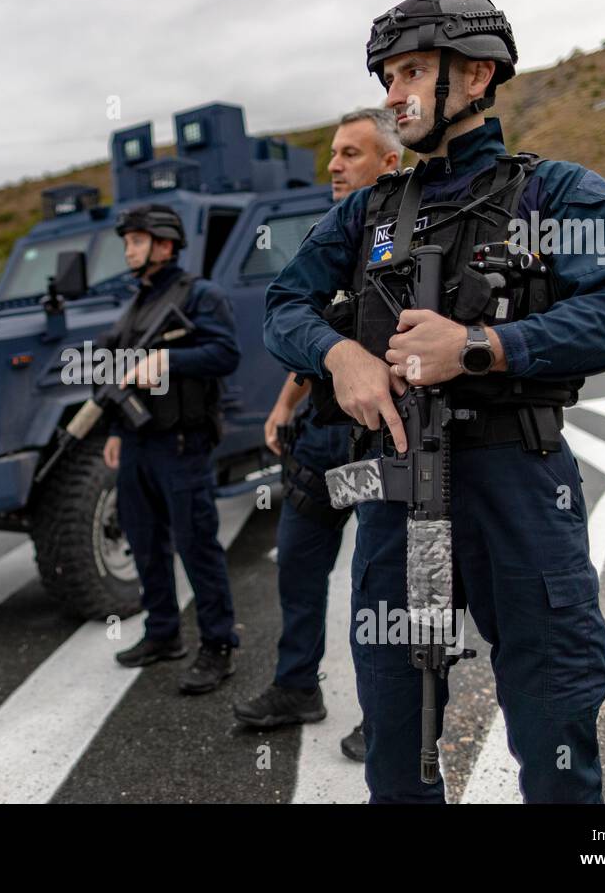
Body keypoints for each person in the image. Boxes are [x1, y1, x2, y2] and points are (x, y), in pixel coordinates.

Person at [263, 0, 605, 802]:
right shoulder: (368, 212)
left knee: (554, 723)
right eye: (387, 77)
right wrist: (341, 359)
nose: (393, 94)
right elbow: (283, 305)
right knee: (397, 738)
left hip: (515, 480)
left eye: (412, 73)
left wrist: (480, 346)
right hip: (400, 489)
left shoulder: (557, 194)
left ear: (475, 78)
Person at [234, 109, 402, 766]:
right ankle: (296, 685)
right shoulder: (331, 240)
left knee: (390, 587)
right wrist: (281, 409)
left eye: (350, 154)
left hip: (386, 447)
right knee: (299, 565)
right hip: (322, 445)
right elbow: (312, 342)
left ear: (389, 163)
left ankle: (390, 716)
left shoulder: (415, 236)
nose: (332, 165)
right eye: (332, 153)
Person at [102, 204, 243, 693]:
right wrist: (118, 434)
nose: (129, 250)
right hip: (139, 442)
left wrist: (167, 359)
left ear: (164, 244)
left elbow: (226, 354)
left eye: (137, 241)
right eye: (127, 242)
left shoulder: (201, 295)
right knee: (144, 542)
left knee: (196, 545)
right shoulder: (137, 303)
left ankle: (218, 645)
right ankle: (162, 633)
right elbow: (121, 373)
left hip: (182, 443)